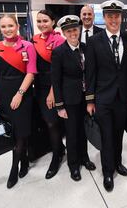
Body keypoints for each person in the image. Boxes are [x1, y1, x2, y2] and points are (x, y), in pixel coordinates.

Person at [85, 0, 127, 192]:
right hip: (103, 98)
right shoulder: (94, 41)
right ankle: (107, 171)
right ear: (104, 18)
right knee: (106, 136)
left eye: (117, 16)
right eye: (110, 16)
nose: (114, 19)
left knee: (119, 133)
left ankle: (118, 163)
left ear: (121, 17)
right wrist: (90, 100)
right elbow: (90, 73)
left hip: (123, 98)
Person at [0, 14, 37, 188]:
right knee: (10, 132)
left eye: (10, 26)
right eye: (3, 26)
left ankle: (14, 168)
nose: (7, 29)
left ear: (17, 26)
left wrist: (20, 93)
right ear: (0, 29)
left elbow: (31, 72)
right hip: (2, 95)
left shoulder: (28, 46)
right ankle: (22, 160)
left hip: (22, 95)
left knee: (22, 132)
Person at [51, 15, 96, 182]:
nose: (73, 33)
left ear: (80, 30)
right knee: (71, 133)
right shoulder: (59, 52)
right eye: (68, 31)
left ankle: (84, 158)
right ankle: (73, 164)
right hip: (69, 100)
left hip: (86, 98)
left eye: (75, 30)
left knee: (84, 130)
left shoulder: (86, 48)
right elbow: (55, 80)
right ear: (63, 32)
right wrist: (60, 105)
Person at [32, 10, 66, 179]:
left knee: (52, 122)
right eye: (39, 21)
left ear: (53, 22)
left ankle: (57, 155)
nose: (41, 24)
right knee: (46, 122)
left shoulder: (59, 40)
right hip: (38, 87)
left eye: (45, 20)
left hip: (53, 87)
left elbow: (58, 70)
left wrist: (53, 93)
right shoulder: (34, 39)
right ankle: (58, 147)